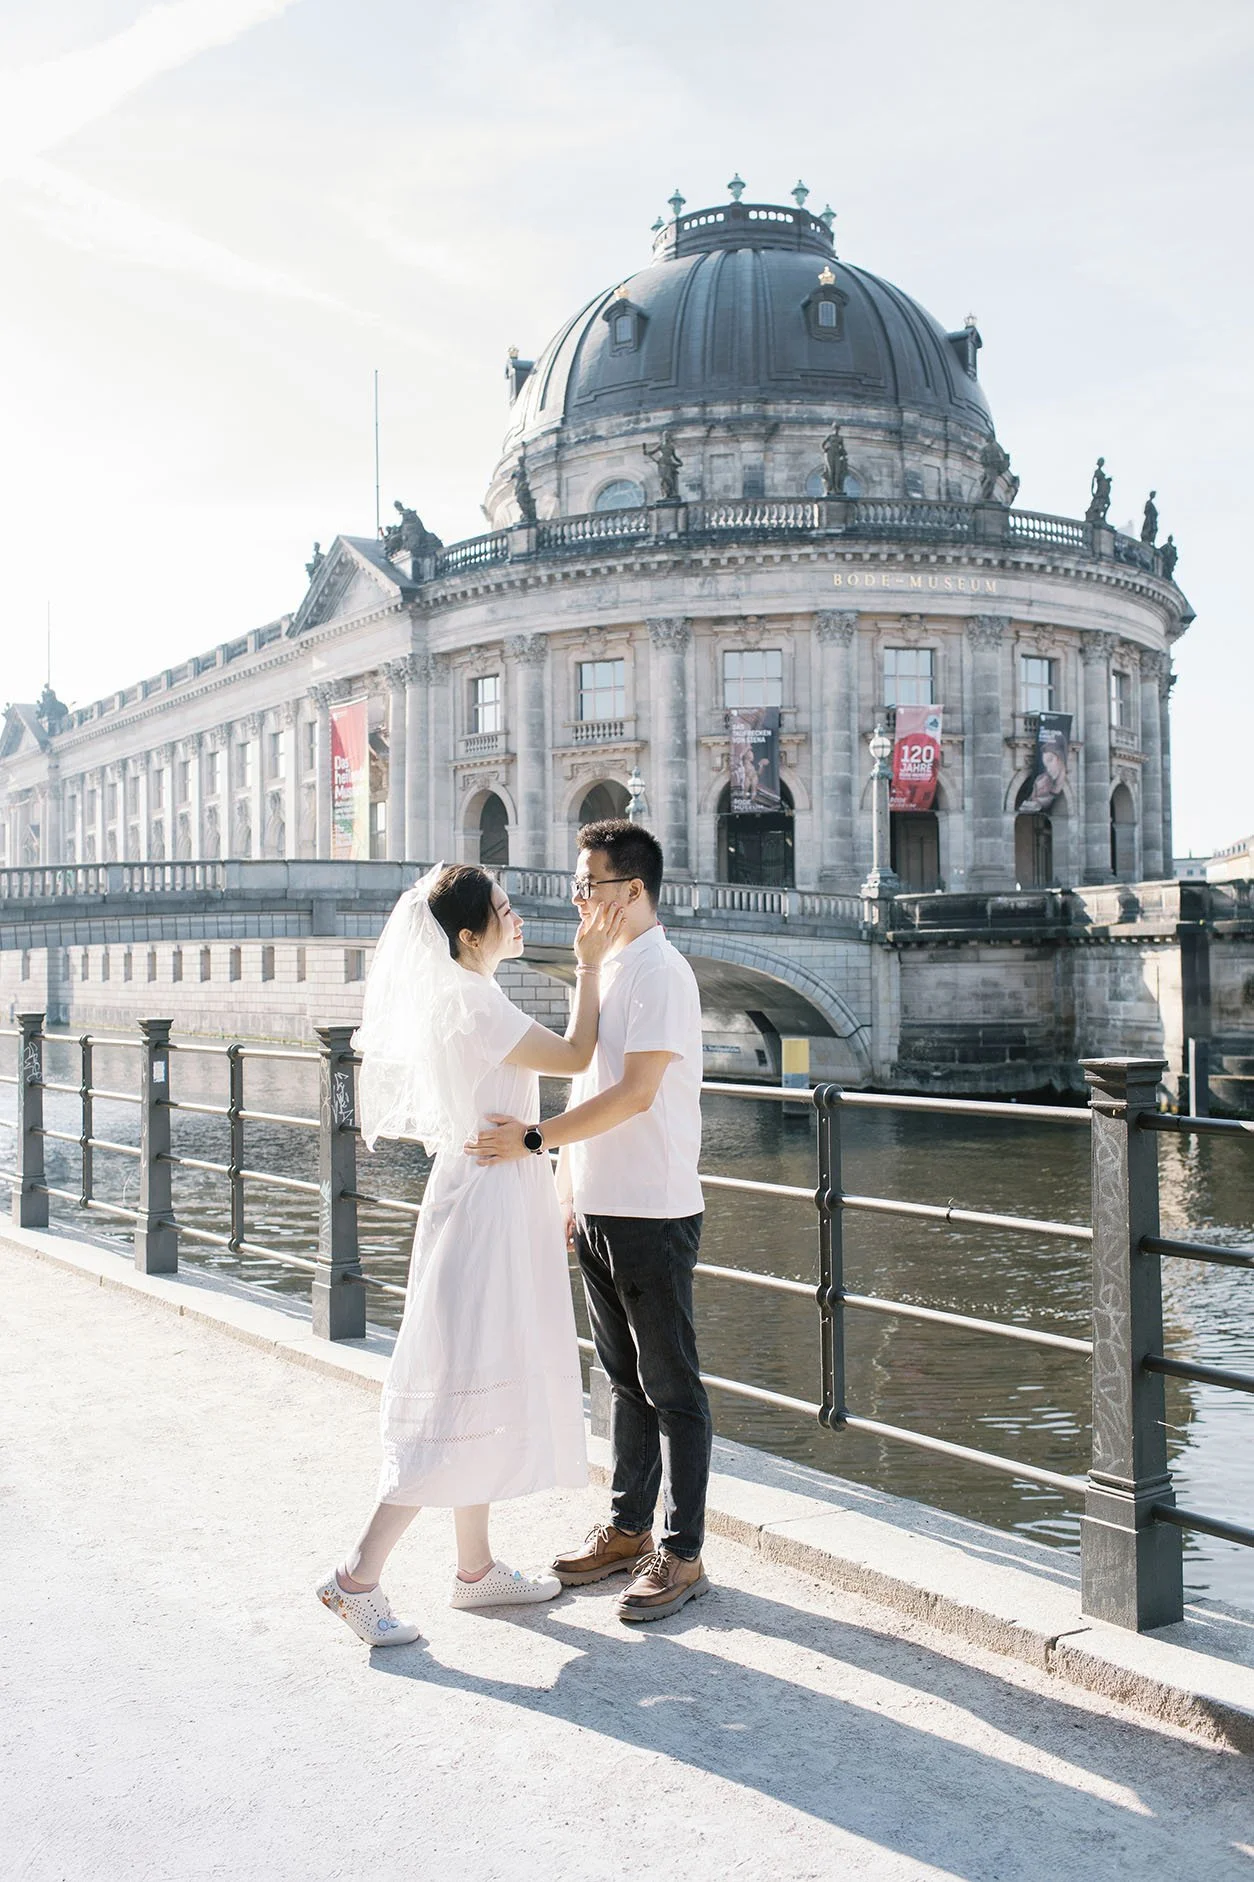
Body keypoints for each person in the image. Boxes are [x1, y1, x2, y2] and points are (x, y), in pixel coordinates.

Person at [317, 862, 623, 1647]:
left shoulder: (464, 997)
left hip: (486, 1190)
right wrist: (589, 964)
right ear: (467, 935)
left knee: (472, 1376)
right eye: (503, 909)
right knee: (456, 1387)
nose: (516, 917)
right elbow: (579, 1051)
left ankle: (475, 1568)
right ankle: (358, 1577)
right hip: (490, 1202)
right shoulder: (475, 1001)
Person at [469, 820, 710, 1623]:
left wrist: (535, 1143)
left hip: (652, 1204)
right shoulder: (612, 966)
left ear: (631, 892)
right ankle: (627, 1528)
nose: (577, 898)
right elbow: (583, 1077)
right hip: (603, 1201)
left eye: (588, 884)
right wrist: (568, 1186)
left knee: (672, 1388)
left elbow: (638, 1093)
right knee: (625, 1380)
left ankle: (681, 1554)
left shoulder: (664, 974)